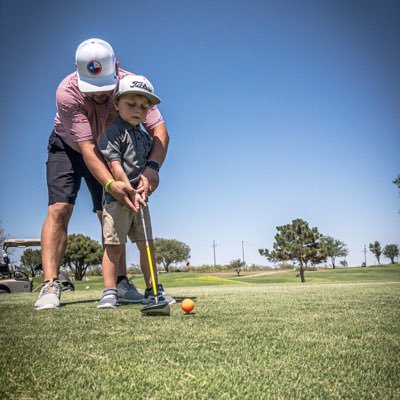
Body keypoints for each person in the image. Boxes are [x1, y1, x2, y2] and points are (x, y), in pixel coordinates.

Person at [35, 38, 169, 310]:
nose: (98, 95)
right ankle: (50, 285)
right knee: (60, 208)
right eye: (91, 88)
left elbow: (159, 131)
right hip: (69, 147)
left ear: (116, 69)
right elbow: (86, 147)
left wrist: (151, 169)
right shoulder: (67, 92)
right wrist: (110, 182)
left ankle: (119, 284)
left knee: (107, 213)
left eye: (104, 88)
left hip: (111, 150)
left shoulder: (133, 85)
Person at [97, 75, 175, 308]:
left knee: (147, 244)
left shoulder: (143, 134)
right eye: (131, 104)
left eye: (144, 106)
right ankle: (110, 291)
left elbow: (148, 169)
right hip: (117, 199)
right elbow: (114, 165)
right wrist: (128, 190)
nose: (138, 110)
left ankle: (153, 290)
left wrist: (144, 189)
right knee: (114, 246)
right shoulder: (113, 132)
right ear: (116, 103)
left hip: (140, 200)